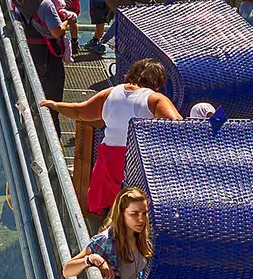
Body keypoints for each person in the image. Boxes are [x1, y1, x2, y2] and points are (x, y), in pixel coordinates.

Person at [43, 59, 180, 225]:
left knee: (111, 208)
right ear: (158, 82)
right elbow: (177, 126)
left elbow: (80, 112)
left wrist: (55, 105)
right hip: (137, 162)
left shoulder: (110, 93)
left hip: (109, 160)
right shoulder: (154, 100)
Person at [64, 185, 153, 279]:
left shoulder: (140, 238)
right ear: (121, 214)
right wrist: (92, 259)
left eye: (144, 213)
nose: (141, 219)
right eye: (134, 214)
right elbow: (67, 270)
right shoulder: (105, 240)